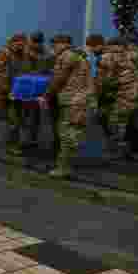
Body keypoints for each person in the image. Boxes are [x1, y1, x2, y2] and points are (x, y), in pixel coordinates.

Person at [38, 34, 92, 178]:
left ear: (62, 44)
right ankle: (65, 165)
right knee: (72, 132)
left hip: (72, 99)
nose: (53, 48)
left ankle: (63, 168)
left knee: (66, 133)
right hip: (80, 99)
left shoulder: (67, 56)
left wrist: (46, 96)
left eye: (54, 45)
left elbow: (58, 78)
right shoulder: (79, 56)